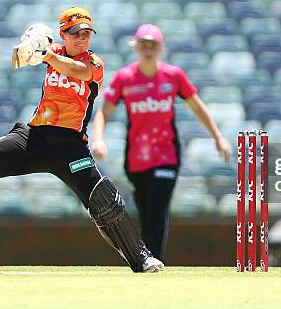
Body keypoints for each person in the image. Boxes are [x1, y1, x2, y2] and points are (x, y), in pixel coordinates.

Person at [0, 7, 164, 273]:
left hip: (70, 147)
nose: (82, 39)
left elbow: (76, 70)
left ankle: (141, 259)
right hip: (34, 139)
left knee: (103, 200)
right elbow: (18, 58)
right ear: (63, 34)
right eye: (75, 34)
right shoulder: (51, 51)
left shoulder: (93, 63)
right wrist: (28, 45)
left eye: (86, 34)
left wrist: (44, 54)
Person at [91, 24, 231, 261]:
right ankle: (147, 258)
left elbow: (196, 105)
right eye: (144, 45)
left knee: (157, 208)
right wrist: (98, 139)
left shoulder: (173, 76)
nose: (148, 50)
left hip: (167, 156)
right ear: (136, 47)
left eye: (153, 45)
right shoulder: (125, 78)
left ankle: (152, 258)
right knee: (146, 210)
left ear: (161, 48)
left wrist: (218, 137)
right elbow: (104, 111)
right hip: (136, 159)